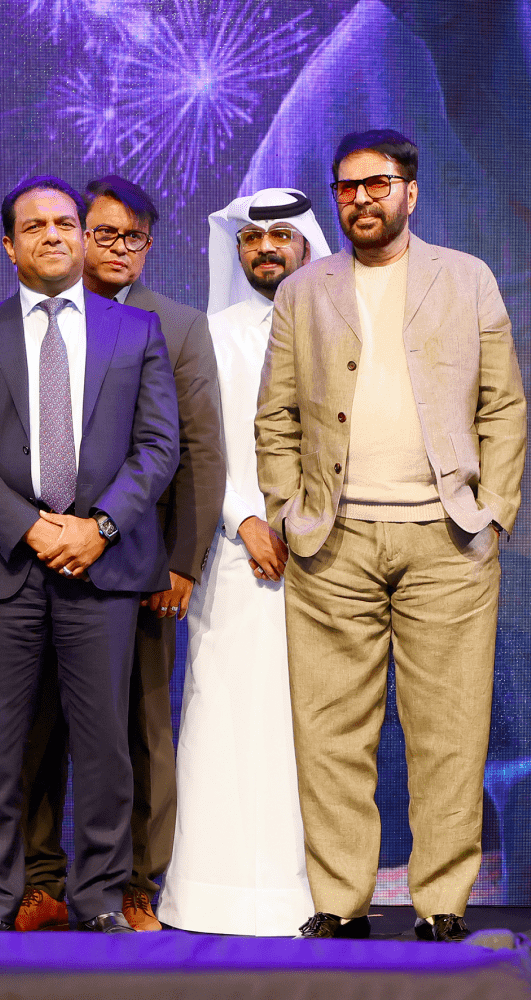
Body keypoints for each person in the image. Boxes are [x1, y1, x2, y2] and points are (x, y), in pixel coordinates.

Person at [256, 130, 526, 942]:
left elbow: (504, 406)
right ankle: (341, 902)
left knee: (450, 730)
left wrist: (494, 510)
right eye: (347, 188)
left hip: (448, 540)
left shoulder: (466, 277)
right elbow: (275, 416)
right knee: (331, 731)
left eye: (377, 184)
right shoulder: (303, 290)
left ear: (410, 191)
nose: (361, 200)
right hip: (332, 543)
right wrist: (285, 508)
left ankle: (441, 903)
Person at [0, 176, 178, 933]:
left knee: (105, 745)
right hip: (4, 565)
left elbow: (158, 447)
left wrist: (98, 527)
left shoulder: (135, 331)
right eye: (34, 226)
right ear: (10, 246)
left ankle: (100, 896)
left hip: (103, 566)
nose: (53, 235)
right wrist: (31, 527)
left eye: (66, 222)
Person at [16, 175, 225, 932]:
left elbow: (200, 451)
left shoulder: (178, 326)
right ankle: (40, 882)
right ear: (75, 235)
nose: (117, 248)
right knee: (39, 726)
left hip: (139, 565)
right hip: (38, 562)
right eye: (102, 232)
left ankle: (135, 882)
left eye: (132, 237)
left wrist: (182, 561)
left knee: (138, 728)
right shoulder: (30, 320)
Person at [158, 189, 330, 936]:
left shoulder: (340, 325)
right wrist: (247, 519)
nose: (265, 248)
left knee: (318, 724)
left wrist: (306, 522)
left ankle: (319, 895)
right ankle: (209, 895)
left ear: (307, 244)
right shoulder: (213, 333)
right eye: (252, 239)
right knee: (223, 715)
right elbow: (201, 444)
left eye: (281, 236)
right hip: (236, 557)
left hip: (328, 556)